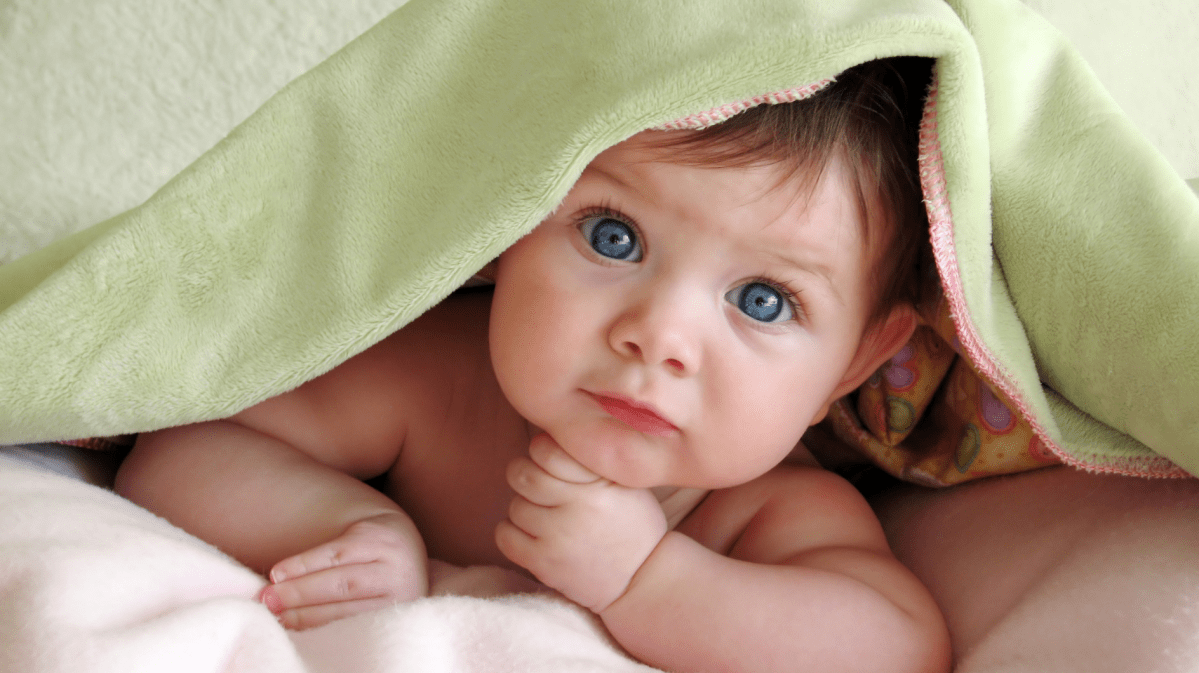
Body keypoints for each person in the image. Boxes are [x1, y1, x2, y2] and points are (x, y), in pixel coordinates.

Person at [115, 57, 951, 673]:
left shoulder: (764, 512)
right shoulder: (440, 383)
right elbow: (188, 440)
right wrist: (341, 526)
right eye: (611, 236)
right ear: (509, 221)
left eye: (763, 299)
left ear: (851, 364)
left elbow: (893, 645)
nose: (657, 335)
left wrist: (648, 579)